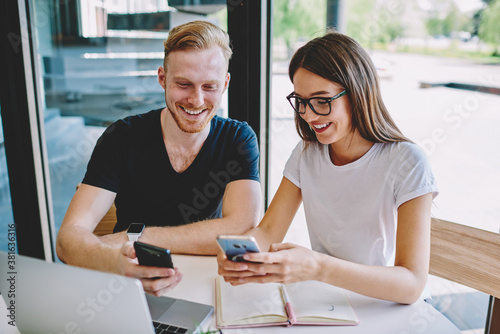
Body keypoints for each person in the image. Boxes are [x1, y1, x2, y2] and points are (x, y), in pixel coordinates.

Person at [218, 31, 438, 304]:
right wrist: (239, 254)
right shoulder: (307, 153)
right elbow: (267, 232)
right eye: (301, 101)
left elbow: (411, 285)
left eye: (322, 101)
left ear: (357, 92)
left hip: (384, 306)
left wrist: (318, 267)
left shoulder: (408, 161)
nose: (309, 115)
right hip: (330, 302)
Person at [56, 21, 262, 296]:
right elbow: (68, 239)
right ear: (162, 78)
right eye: (184, 84)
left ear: (225, 83)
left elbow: (242, 229)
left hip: (205, 284)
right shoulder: (122, 137)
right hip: (127, 282)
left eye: (210, 86)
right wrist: (115, 263)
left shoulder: (238, 139)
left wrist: (140, 236)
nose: (197, 100)